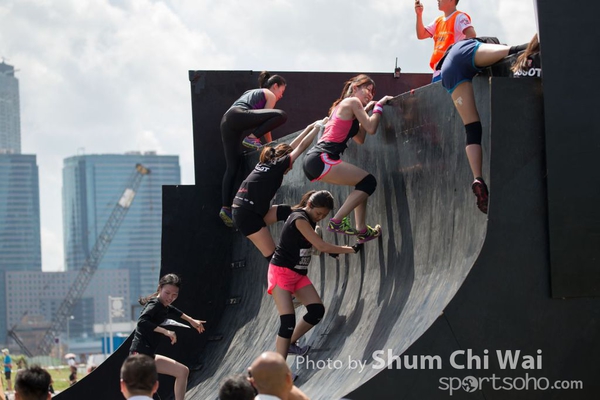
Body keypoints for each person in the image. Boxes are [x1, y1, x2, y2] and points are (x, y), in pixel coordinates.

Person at [438, 35, 539, 213]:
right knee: (514, 50)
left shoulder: (455, 51)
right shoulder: (475, 44)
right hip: (463, 54)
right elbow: (512, 51)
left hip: (448, 73)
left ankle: (478, 177)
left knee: (471, 127)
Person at [268, 190, 362, 359]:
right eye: (319, 213)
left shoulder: (309, 219)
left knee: (316, 311)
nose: (320, 217)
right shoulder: (299, 218)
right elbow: (321, 246)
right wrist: (351, 249)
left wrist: (331, 251)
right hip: (281, 273)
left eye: (324, 215)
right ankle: (278, 369)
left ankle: (290, 344)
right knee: (288, 320)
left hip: (298, 275)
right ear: (309, 205)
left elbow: (306, 243)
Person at [302, 74, 393, 244]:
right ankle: (337, 221)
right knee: (369, 182)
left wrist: (366, 112)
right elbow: (372, 128)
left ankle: (362, 230)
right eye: (367, 89)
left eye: (373, 93)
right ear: (355, 88)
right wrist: (379, 106)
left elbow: (361, 138)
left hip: (316, 160)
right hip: (322, 157)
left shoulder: (345, 107)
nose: (370, 95)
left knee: (363, 184)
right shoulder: (352, 102)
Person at [233, 118, 328, 260]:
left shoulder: (268, 161)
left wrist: (310, 126)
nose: (291, 167)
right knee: (274, 257)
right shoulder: (278, 166)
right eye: (291, 163)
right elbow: (301, 146)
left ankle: (310, 240)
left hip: (249, 209)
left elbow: (291, 147)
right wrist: (317, 128)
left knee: (288, 212)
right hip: (247, 216)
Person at [220, 71, 288, 227]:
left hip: (227, 121)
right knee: (281, 115)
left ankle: (225, 208)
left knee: (232, 166)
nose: (281, 95)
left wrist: (268, 143)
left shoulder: (251, 92)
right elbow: (268, 122)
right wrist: (271, 145)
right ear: (275, 86)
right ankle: (251, 138)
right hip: (238, 115)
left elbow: (263, 121)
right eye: (281, 91)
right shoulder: (269, 94)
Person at [130, 273, 206, 400]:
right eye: (167, 293)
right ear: (159, 288)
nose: (170, 297)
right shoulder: (154, 305)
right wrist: (165, 331)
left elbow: (173, 310)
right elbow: (142, 322)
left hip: (148, 356)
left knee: (182, 371)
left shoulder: (163, 305)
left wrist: (191, 320)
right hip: (139, 357)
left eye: (175, 295)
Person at [414, 0, 476, 82]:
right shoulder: (438, 21)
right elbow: (421, 35)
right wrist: (419, 15)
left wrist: (459, 60)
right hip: (438, 72)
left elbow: (471, 34)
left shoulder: (459, 17)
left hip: (452, 69)